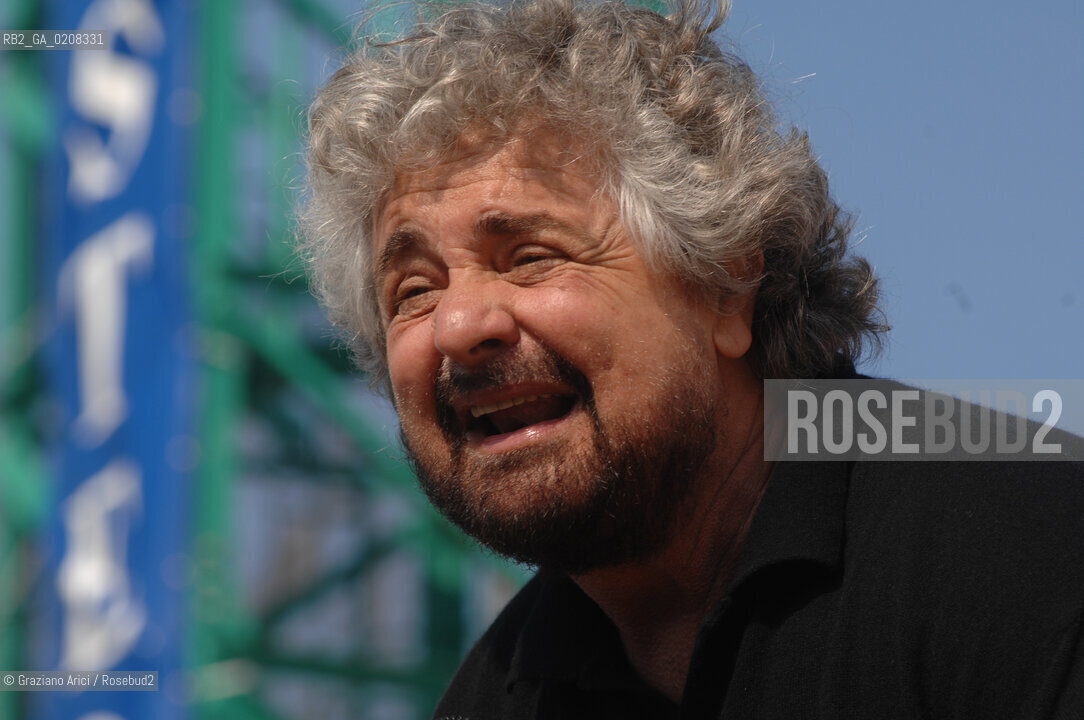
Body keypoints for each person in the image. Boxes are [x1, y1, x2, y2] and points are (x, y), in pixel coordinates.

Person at [297, 0, 1084, 717]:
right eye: (412, 291)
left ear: (728, 282)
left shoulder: (1036, 553)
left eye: (531, 255)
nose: (459, 325)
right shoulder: (492, 696)